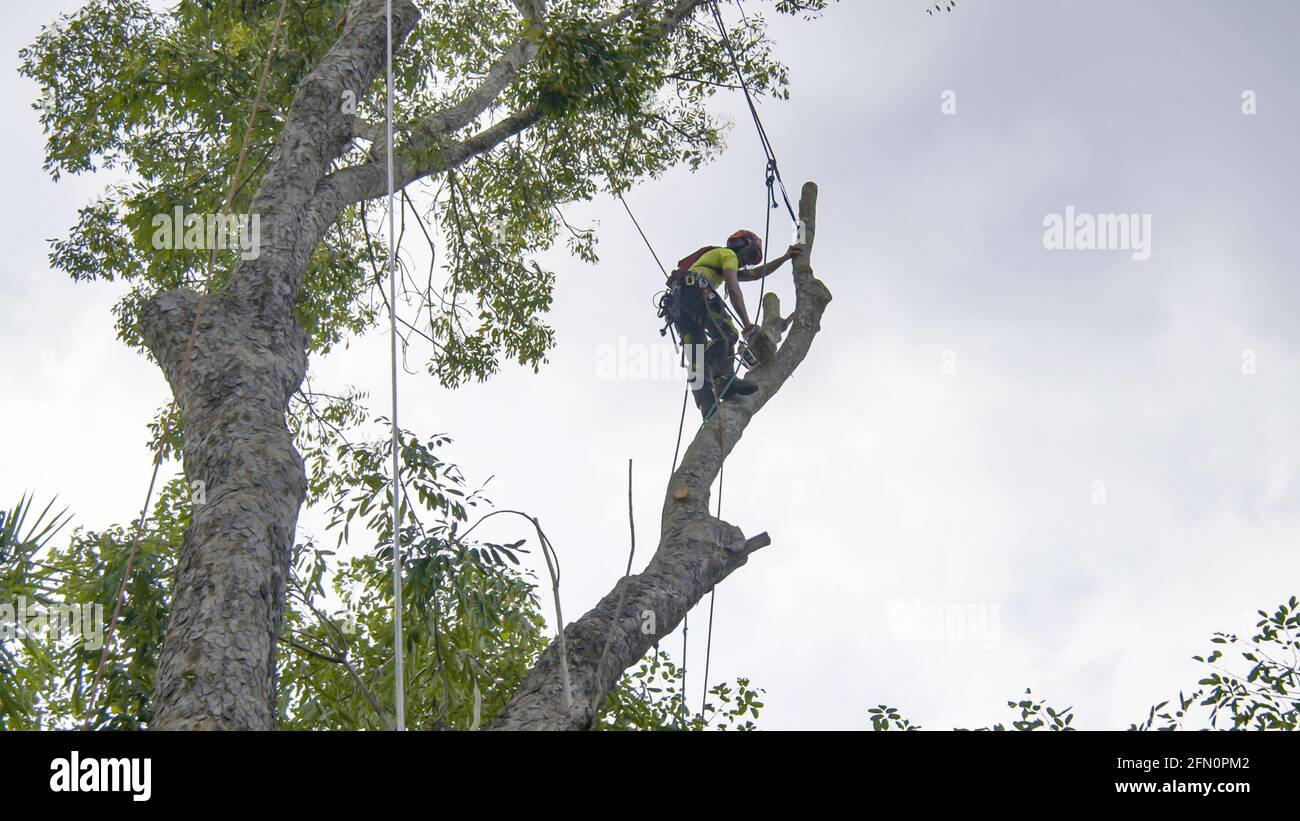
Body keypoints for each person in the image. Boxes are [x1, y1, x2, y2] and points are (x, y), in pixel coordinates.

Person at [660, 229, 803, 418]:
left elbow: (755, 274)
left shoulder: (718, 260)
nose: (747, 263)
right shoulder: (728, 254)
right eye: (751, 255)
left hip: (677, 306)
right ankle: (724, 379)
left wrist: (784, 258)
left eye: (752, 260)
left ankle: (707, 406)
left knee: (697, 354)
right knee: (727, 333)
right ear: (741, 245)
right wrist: (747, 325)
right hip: (694, 289)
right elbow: (734, 290)